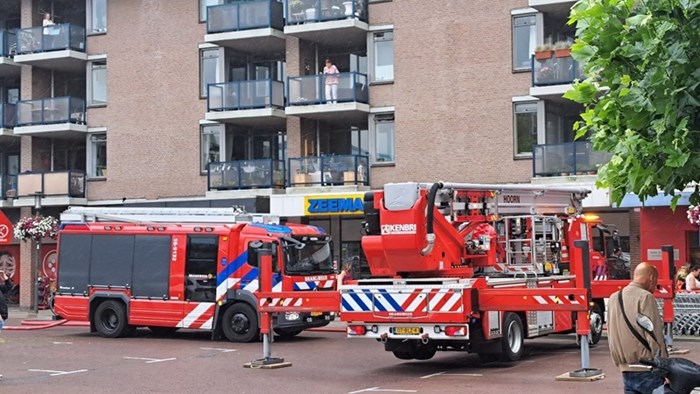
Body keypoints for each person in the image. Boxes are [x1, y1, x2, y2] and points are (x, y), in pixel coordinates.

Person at [608, 262, 668, 394]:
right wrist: (665, 367)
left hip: (625, 368)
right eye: (655, 281)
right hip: (647, 368)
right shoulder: (645, 297)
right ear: (651, 278)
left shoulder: (614, 298)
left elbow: (611, 333)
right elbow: (654, 334)